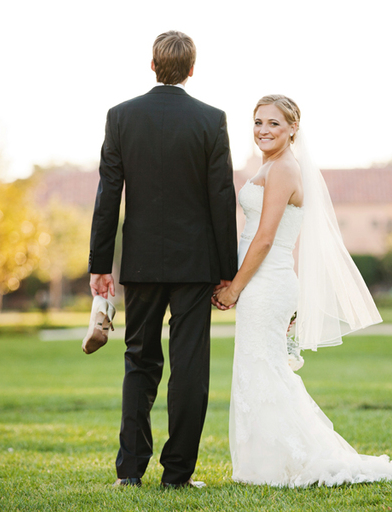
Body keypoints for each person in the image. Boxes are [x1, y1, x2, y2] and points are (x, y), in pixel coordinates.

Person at [214, 95, 392, 487]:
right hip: (263, 281)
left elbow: (264, 239)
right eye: (258, 122)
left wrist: (235, 288)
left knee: (264, 370)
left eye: (273, 124)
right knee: (259, 369)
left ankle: (282, 461)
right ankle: (266, 461)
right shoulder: (271, 165)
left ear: (293, 129)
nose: (263, 130)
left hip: (266, 281)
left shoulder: (283, 169)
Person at [88, 31, 238, 489]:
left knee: (139, 360)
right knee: (190, 367)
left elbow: (108, 193)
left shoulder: (121, 117)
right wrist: (227, 272)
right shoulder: (211, 120)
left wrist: (100, 263)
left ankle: (129, 473)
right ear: (192, 70)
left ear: (152, 67)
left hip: (141, 262)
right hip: (196, 265)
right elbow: (221, 197)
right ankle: (178, 476)